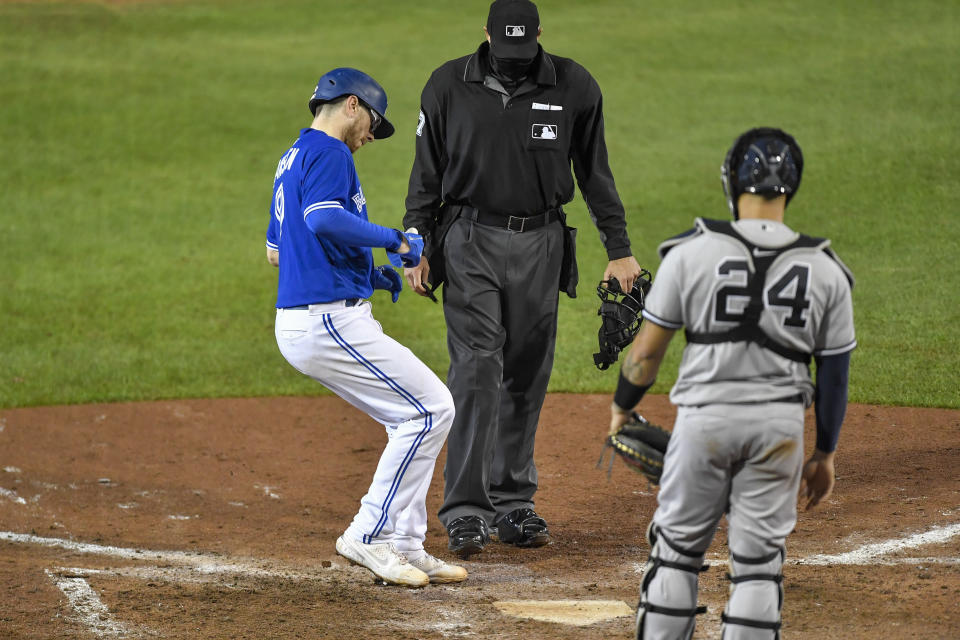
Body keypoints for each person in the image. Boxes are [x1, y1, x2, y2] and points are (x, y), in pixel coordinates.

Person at [403, 0, 644, 557]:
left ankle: (512, 501)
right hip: (467, 240)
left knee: (527, 372)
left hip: (542, 243)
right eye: (504, 50)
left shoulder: (574, 85)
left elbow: (594, 171)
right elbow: (426, 175)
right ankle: (465, 508)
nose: (514, 62)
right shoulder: (446, 85)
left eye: (524, 50)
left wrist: (620, 249)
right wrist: (416, 245)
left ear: (539, 36)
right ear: (486, 34)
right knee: (477, 368)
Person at [609, 127, 856, 639]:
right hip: (779, 430)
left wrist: (622, 405)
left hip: (704, 424)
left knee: (675, 555)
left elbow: (647, 353)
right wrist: (825, 454)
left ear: (731, 180)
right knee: (759, 566)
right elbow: (834, 378)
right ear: (793, 185)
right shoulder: (827, 270)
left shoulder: (690, 254)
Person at [265, 67, 466, 587]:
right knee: (429, 410)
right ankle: (369, 534)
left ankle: (405, 543)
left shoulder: (294, 157)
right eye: (374, 122)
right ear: (351, 104)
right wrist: (394, 241)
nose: (372, 135)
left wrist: (365, 275)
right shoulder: (331, 153)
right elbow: (323, 219)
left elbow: (276, 250)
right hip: (326, 320)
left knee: (411, 418)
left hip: (316, 316)